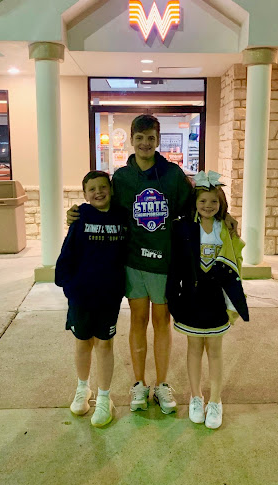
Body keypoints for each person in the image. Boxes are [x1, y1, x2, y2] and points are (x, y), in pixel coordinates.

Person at [68, 114, 192, 414]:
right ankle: (139, 383)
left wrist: (224, 215)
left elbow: (195, 206)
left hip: (163, 263)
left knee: (161, 323)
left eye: (151, 138)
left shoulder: (173, 175)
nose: (145, 143)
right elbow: (103, 206)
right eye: (140, 138)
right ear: (132, 141)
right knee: (138, 321)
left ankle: (162, 384)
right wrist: (77, 213)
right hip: (133, 262)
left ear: (158, 139)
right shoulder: (122, 178)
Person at [166, 171, 249, 429]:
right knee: (193, 348)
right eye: (202, 201)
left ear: (221, 204)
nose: (208, 205)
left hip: (216, 299)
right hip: (192, 298)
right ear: (195, 202)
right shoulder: (184, 228)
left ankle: (215, 400)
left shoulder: (226, 229)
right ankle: (196, 397)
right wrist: (174, 297)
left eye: (214, 201)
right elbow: (176, 265)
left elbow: (235, 264)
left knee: (214, 350)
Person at [55, 170, 127, 427]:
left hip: (109, 295)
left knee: (105, 344)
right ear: (85, 194)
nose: (99, 192)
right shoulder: (81, 216)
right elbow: (68, 253)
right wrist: (69, 286)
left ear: (111, 189)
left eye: (103, 187)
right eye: (92, 189)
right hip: (82, 294)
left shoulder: (122, 216)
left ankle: (105, 398)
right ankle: (83, 388)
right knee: (82, 343)